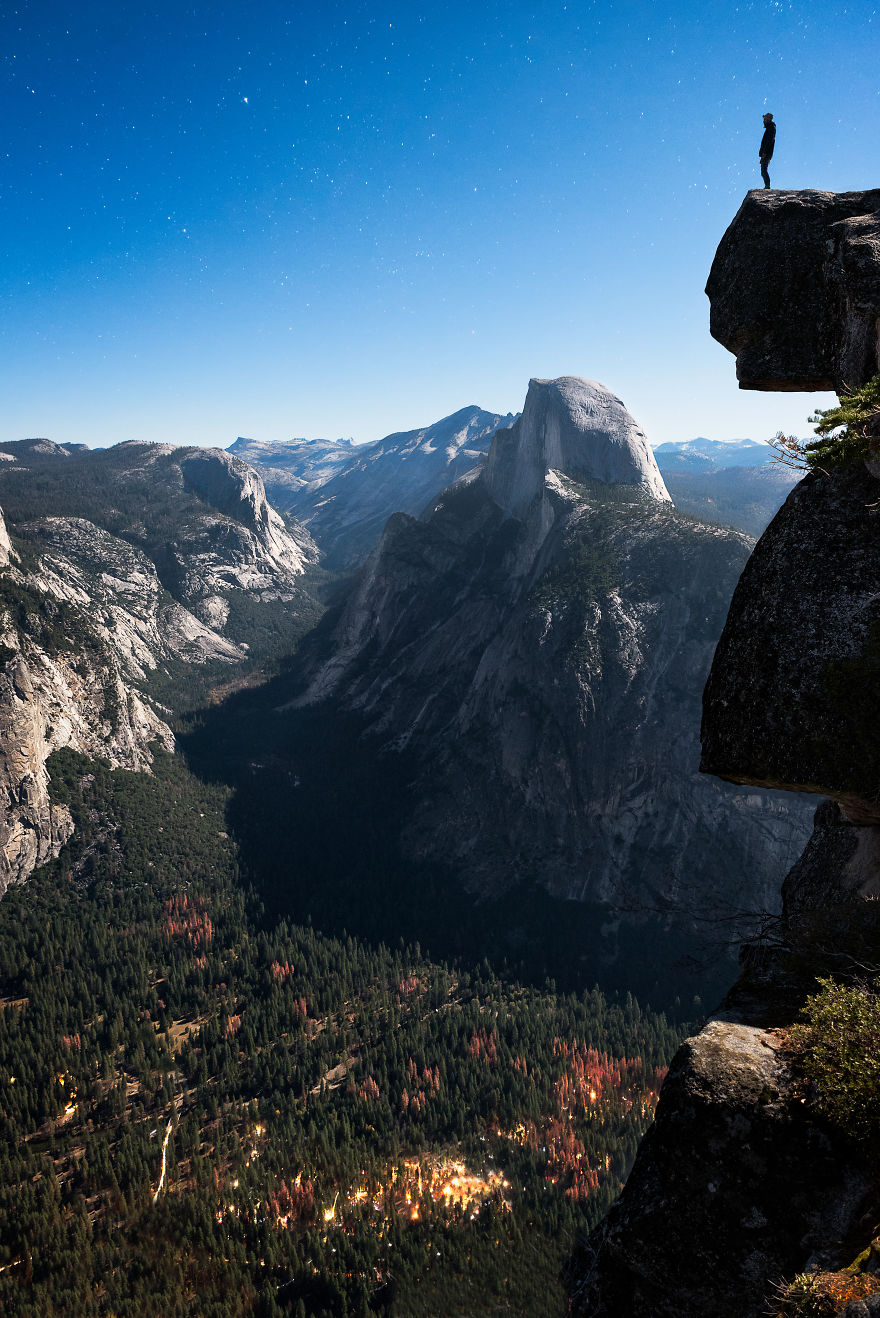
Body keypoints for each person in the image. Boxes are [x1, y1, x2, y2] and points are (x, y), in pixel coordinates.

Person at [759, 112, 776, 189]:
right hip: (766, 153)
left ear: (768, 120)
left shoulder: (771, 128)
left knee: (764, 171)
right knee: (763, 171)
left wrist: (764, 153)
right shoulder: (770, 128)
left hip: (766, 153)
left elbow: (769, 141)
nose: (763, 121)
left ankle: (767, 186)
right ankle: (767, 186)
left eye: (765, 119)